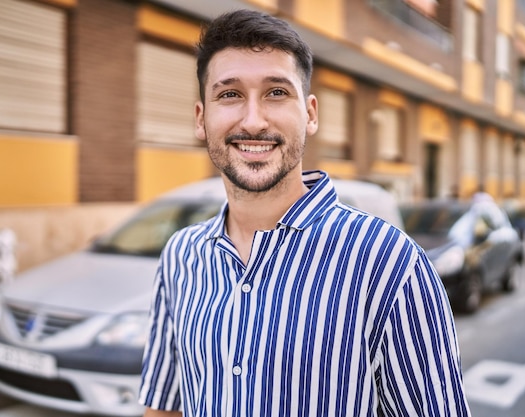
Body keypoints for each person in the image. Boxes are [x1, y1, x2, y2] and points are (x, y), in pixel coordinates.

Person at [139, 9, 471, 417]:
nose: (254, 120)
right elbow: (164, 407)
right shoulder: (180, 256)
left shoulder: (389, 263)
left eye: (277, 92)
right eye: (229, 94)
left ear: (310, 113)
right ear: (201, 119)